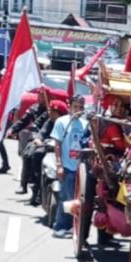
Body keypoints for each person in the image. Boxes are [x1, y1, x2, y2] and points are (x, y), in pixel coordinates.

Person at [50, 95, 87, 238]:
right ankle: (60, 226)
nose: (78, 110)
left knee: (79, 200)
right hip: (67, 167)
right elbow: (57, 145)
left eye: (81, 107)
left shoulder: (85, 124)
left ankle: (74, 226)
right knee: (66, 197)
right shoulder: (61, 122)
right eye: (75, 106)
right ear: (70, 106)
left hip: (81, 168)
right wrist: (59, 165)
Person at [23, 99, 67, 206]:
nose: (50, 113)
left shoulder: (66, 123)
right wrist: (38, 139)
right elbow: (42, 132)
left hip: (62, 151)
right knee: (35, 154)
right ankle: (36, 186)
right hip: (49, 148)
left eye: (52, 111)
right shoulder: (50, 121)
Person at [11, 89, 50, 194]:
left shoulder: (54, 109)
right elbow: (25, 121)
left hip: (51, 139)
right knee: (27, 155)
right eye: (39, 95)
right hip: (36, 137)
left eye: (42, 95)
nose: (40, 97)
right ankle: (23, 185)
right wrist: (12, 129)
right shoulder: (34, 108)